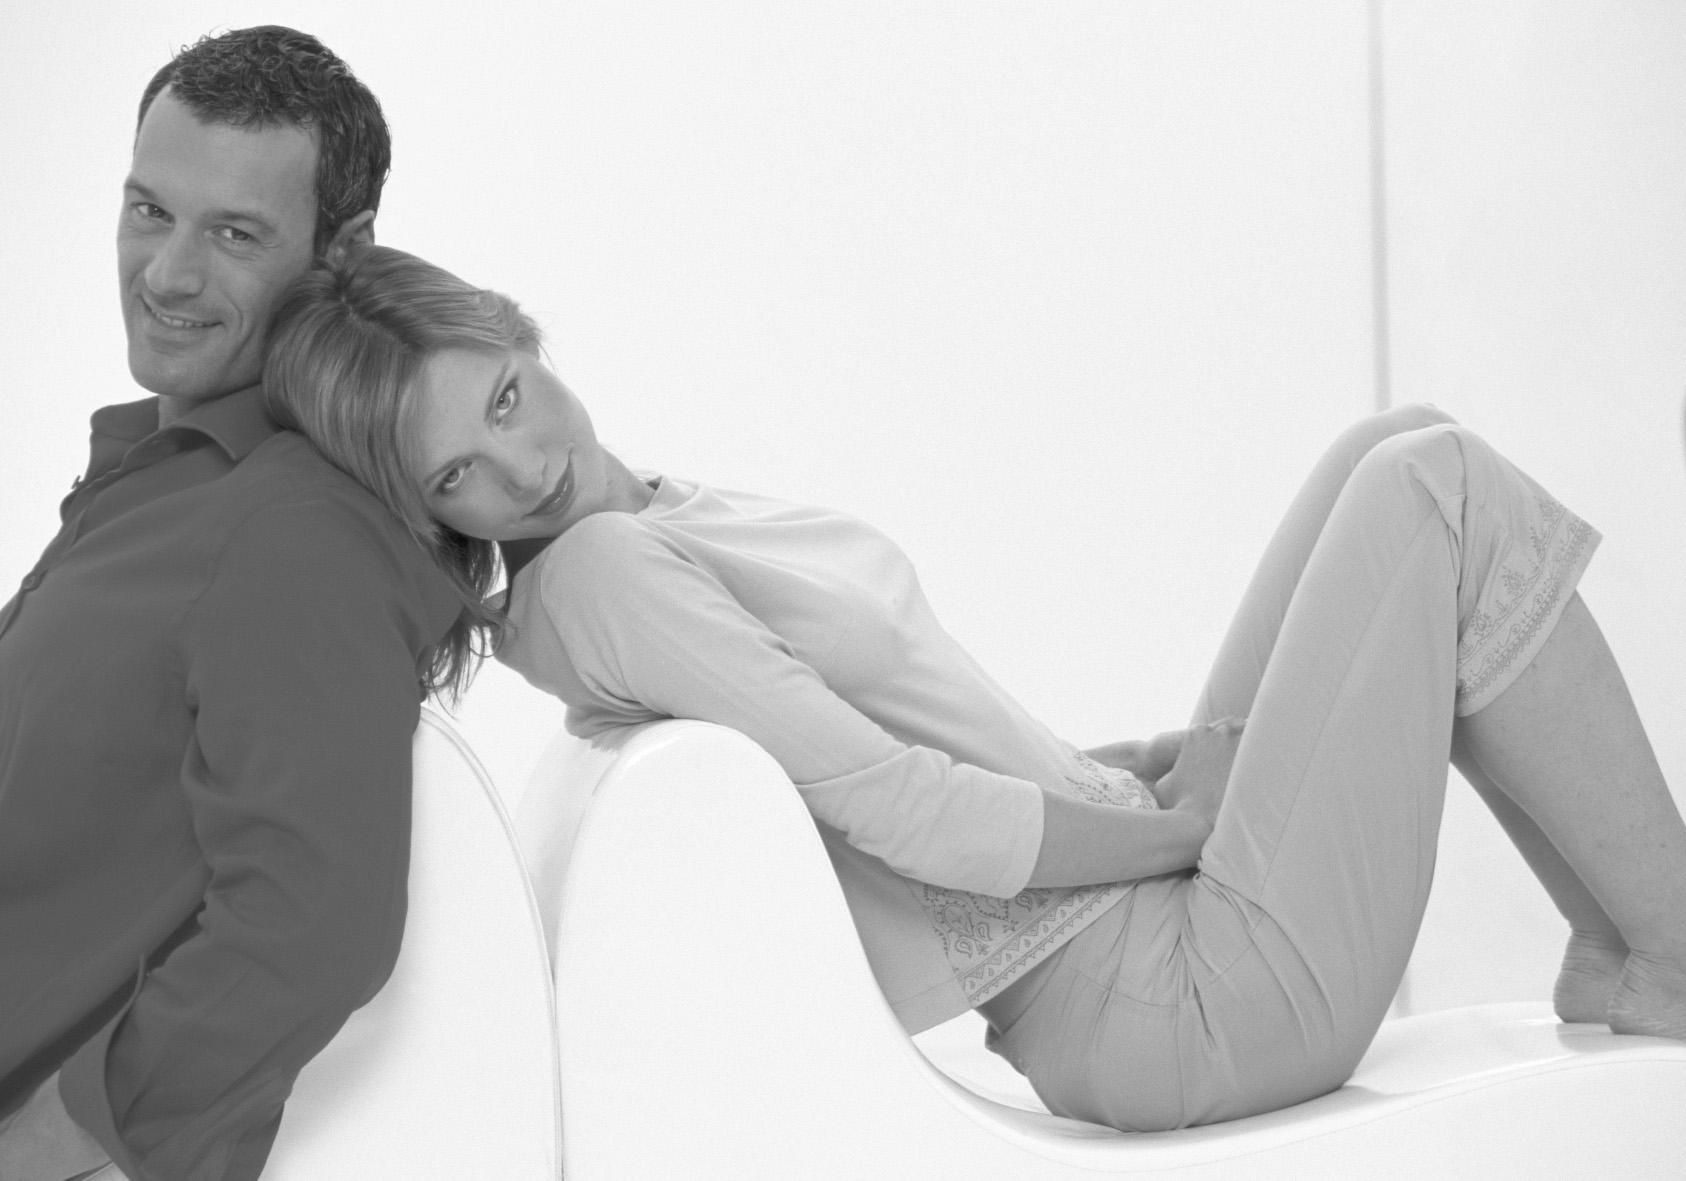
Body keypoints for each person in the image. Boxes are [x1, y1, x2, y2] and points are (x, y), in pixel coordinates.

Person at [267, 243, 1686, 1133]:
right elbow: (894, 804)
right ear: (429, 512)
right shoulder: (604, 574)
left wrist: (1137, 772)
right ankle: (1671, 946)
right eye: (457, 474)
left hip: (1147, 941)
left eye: (505, 399)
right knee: (1438, 488)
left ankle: (1620, 944)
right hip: (1177, 1003)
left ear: (521, 337)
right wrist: (1181, 829)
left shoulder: (642, 516)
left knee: (1398, 441)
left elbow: (922, 731)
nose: (519, 470)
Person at [0, 31, 461, 1181]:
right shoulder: (169, 481)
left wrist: (46, 1144)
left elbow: (318, 921)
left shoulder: (293, 529)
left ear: (341, 255)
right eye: (149, 210)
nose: (166, 274)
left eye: (235, 234)